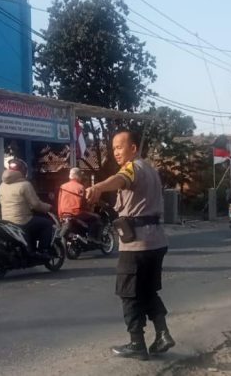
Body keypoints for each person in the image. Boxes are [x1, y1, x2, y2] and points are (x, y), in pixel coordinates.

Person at [86, 130, 174, 360]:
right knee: (147, 291)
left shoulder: (132, 167)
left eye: (119, 147)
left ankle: (137, 343)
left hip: (137, 244)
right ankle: (163, 333)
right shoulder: (151, 169)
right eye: (113, 148)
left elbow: (120, 179)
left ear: (133, 148)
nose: (116, 152)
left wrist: (98, 187)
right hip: (156, 241)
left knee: (128, 293)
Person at [0, 158, 53, 259]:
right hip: (22, 220)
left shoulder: (2, 185)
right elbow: (36, 204)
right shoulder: (25, 185)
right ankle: (43, 251)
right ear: (23, 171)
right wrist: (48, 207)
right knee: (47, 224)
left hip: (6, 220)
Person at [58, 167, 101, 238]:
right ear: (77, 176)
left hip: (64, 215)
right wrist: (90, 209)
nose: (81, 178)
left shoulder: (62, 186)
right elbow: (84, 205)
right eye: (80, 176)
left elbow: (59, 202)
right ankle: (91, 239)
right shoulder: (81, 187)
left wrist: (60, 216)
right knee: (97, 218)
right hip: (77, 214)